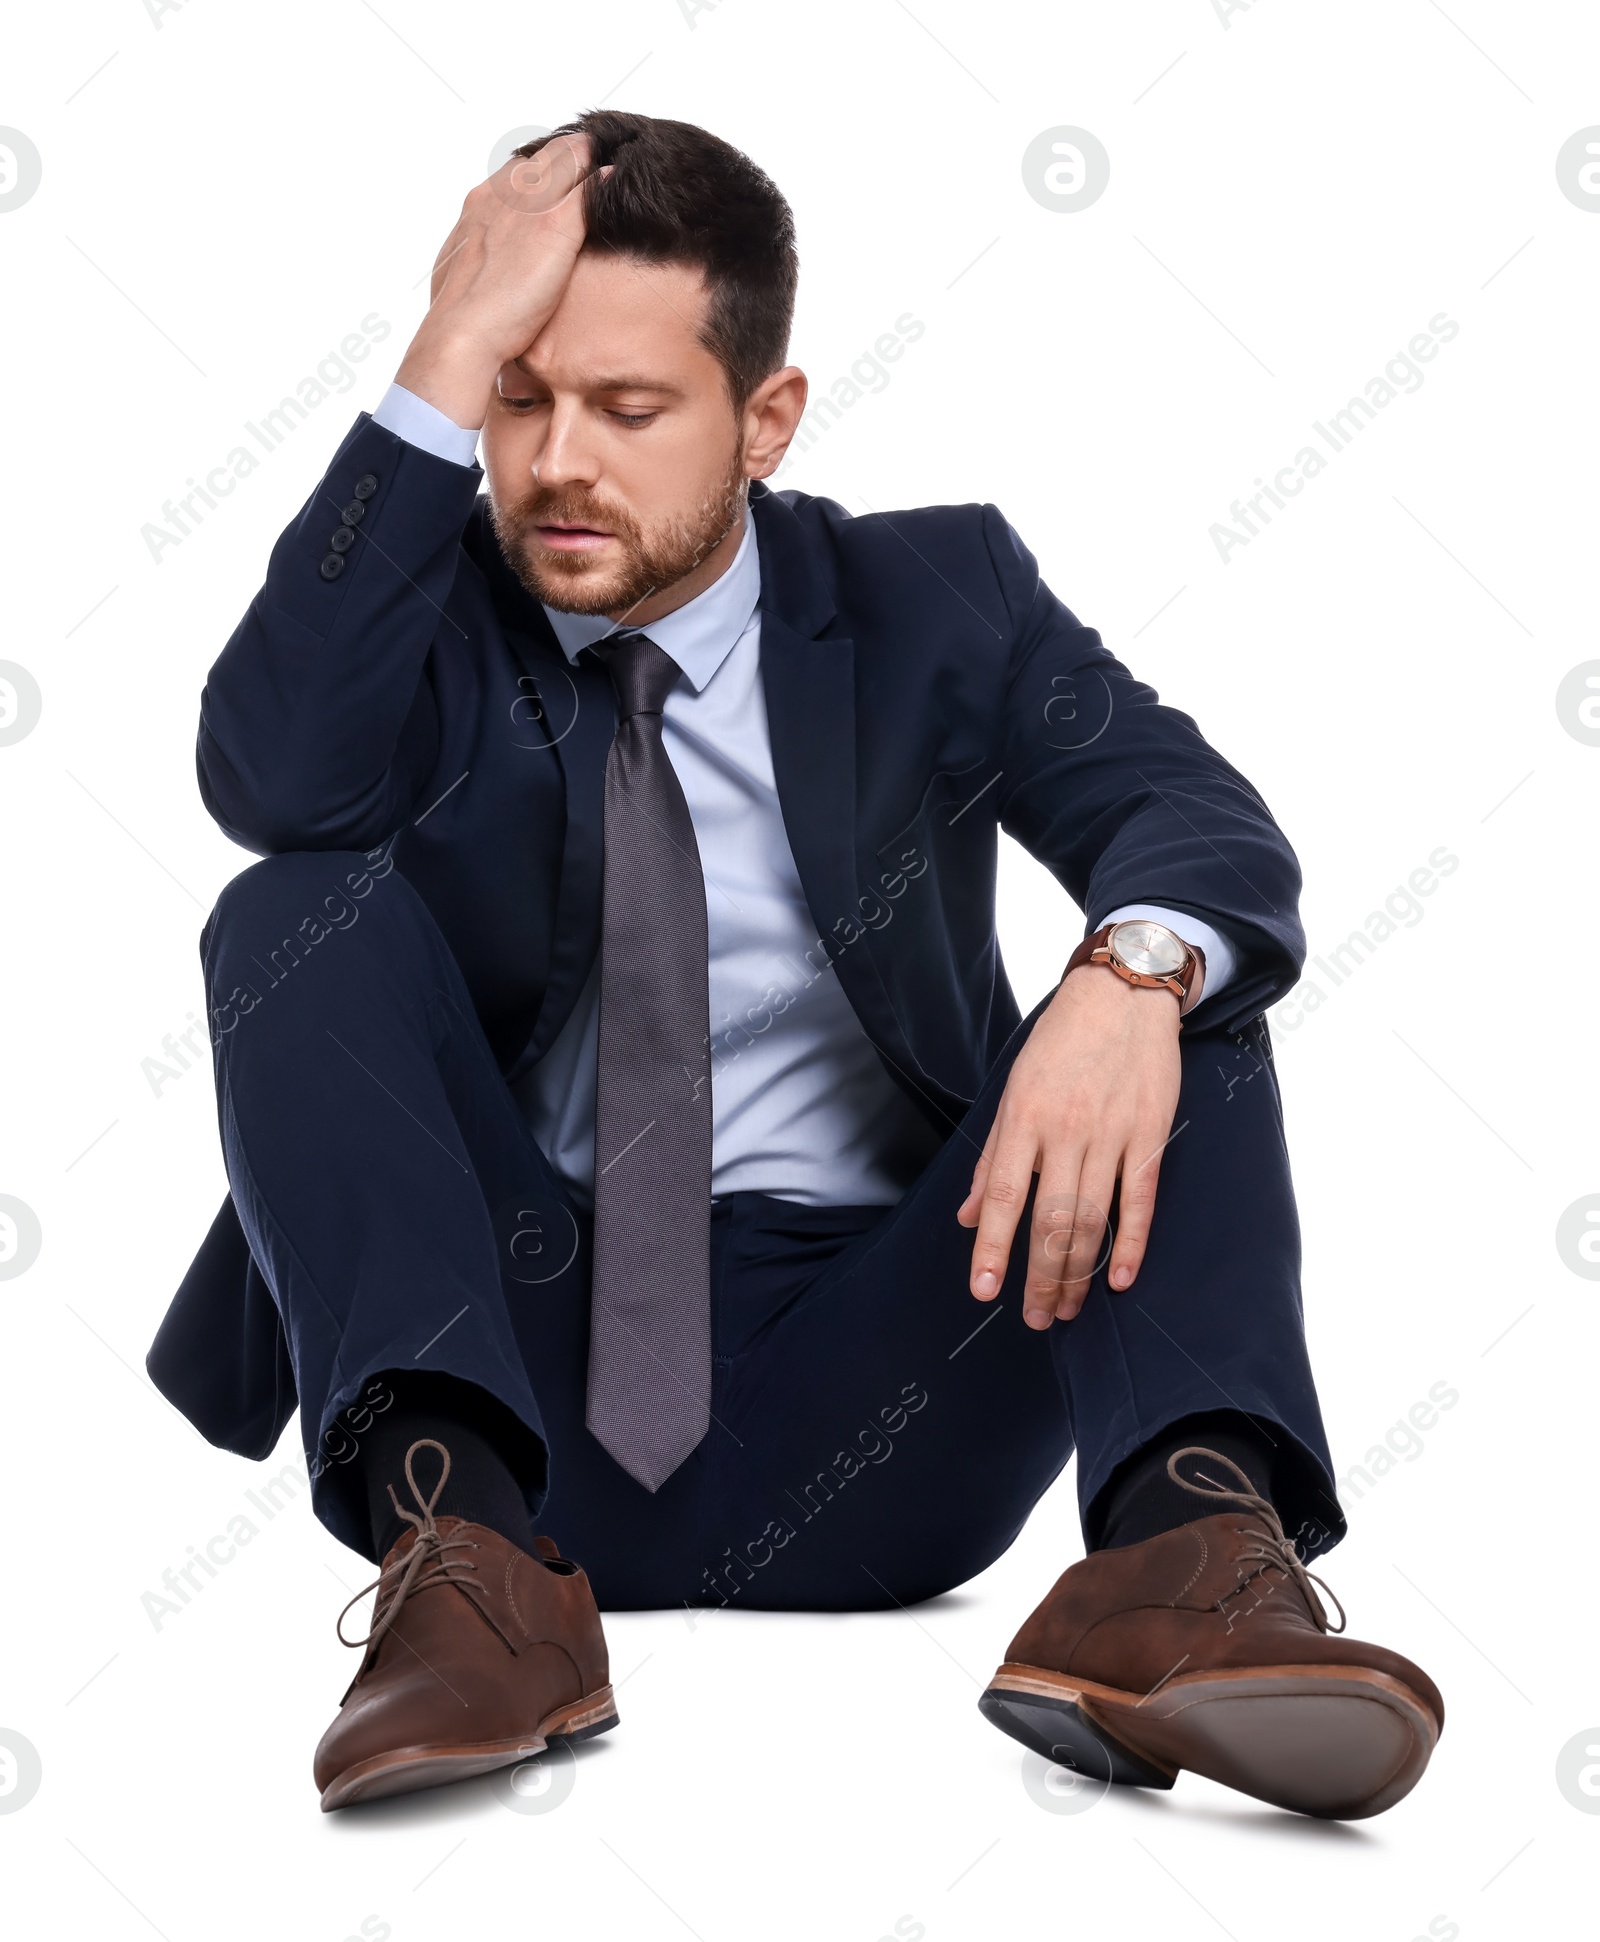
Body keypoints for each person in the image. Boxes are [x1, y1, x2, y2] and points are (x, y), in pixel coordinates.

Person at [147, 111, 1442, 1820]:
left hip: (901, 1376)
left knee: (1179, 997)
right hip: (513, 1415)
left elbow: (1191, 818)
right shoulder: (424, 608)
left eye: (625, 409)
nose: (555, 464)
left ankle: (1188, 1570)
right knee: (284, 911)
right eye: (518, 402)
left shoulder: (933, 594)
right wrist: (435, 359)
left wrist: (1123, 982)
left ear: (766, 418)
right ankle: (465, 1592)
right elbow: (273, 787)